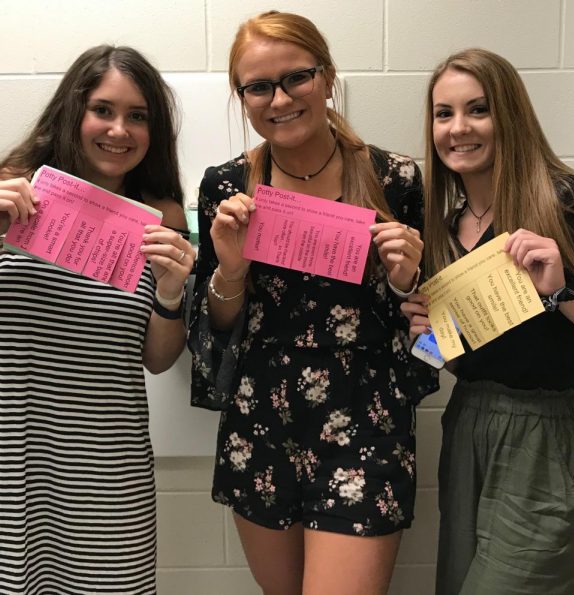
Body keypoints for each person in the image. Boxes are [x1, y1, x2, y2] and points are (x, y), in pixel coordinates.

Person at [0, 45, 193, 594]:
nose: (119, 129)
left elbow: (157, 360)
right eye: (103, 109)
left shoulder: (160, 218)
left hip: (105, 470)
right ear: (73, 111)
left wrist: (170, 292)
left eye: (138, 116)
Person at [187, 11, 438, 595]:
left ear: (327, 77)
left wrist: (406, 281)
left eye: (296, 77)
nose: (279, 98)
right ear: (241, 96)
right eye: (258, 86)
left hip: (364, 418)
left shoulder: (392, 177)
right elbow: (215, 330)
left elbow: (434, 329)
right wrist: (230, 268)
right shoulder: (226, 185)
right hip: (261, 418)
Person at [401, 48, 574, 595]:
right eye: (444, 113)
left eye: (478, 109)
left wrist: (565, 290)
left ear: (509, 116)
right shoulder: (444, 228)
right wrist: (424, 339)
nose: (459, 128)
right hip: (468, 424)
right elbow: (453, 357)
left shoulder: (567, 202)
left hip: (548, 436)